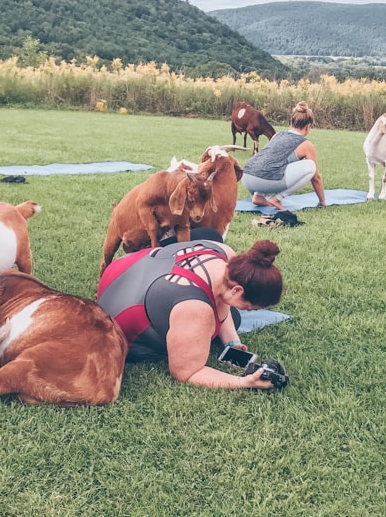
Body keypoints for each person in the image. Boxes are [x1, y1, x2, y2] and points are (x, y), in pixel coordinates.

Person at [97, 239, 283, 389]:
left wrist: (233, 343)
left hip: (125, 270)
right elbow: (186, 372)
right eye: (250, 307)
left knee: (231, 318)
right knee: (214, 322)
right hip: (113, 322)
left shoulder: (225, 254)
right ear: (237, 291)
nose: (249, 310)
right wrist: (243, 382)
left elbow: (221, 297)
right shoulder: (194, 308)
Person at [241, 101, 326, 211]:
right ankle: (276, 199)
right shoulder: (306, 144)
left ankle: (258, 196)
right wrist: (322, 201)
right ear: (308, 127)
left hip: (246, 176)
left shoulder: (278, 135)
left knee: (270, 161)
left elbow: (265, 159)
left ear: (291, 123)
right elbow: (316, 178)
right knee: (311, 167)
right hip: (261, 180)